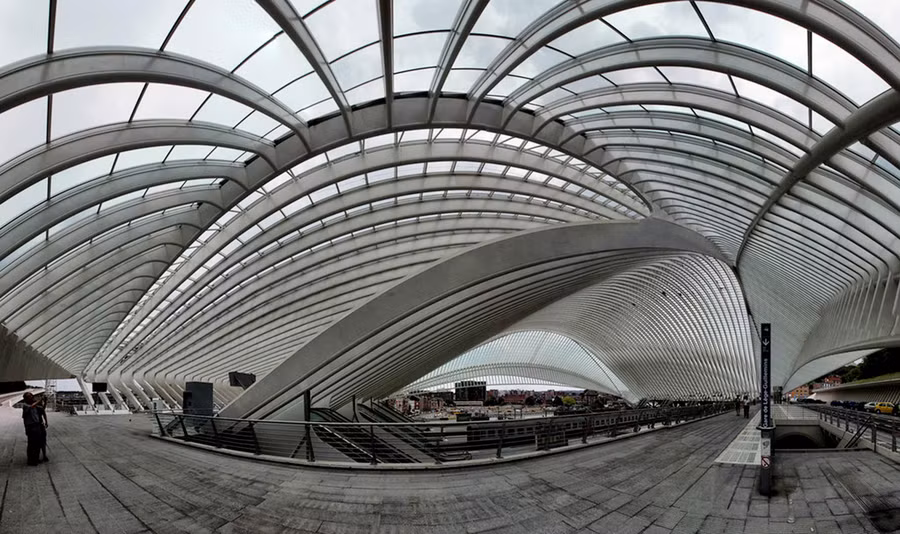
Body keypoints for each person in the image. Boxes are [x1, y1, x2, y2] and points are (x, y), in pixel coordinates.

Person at [21, 392, 49, 466]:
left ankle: (35, 459)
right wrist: (40, 400)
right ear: (25, 398)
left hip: (37, 426)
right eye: (29, 396)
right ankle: (30, 460)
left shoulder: (35, 405)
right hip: (30, 426)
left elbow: (42, 409)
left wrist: (45, 401)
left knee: (37, 443)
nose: (31, 397)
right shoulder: (25, 405)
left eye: (31, 396)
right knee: (31, 444)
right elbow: (32, 406)